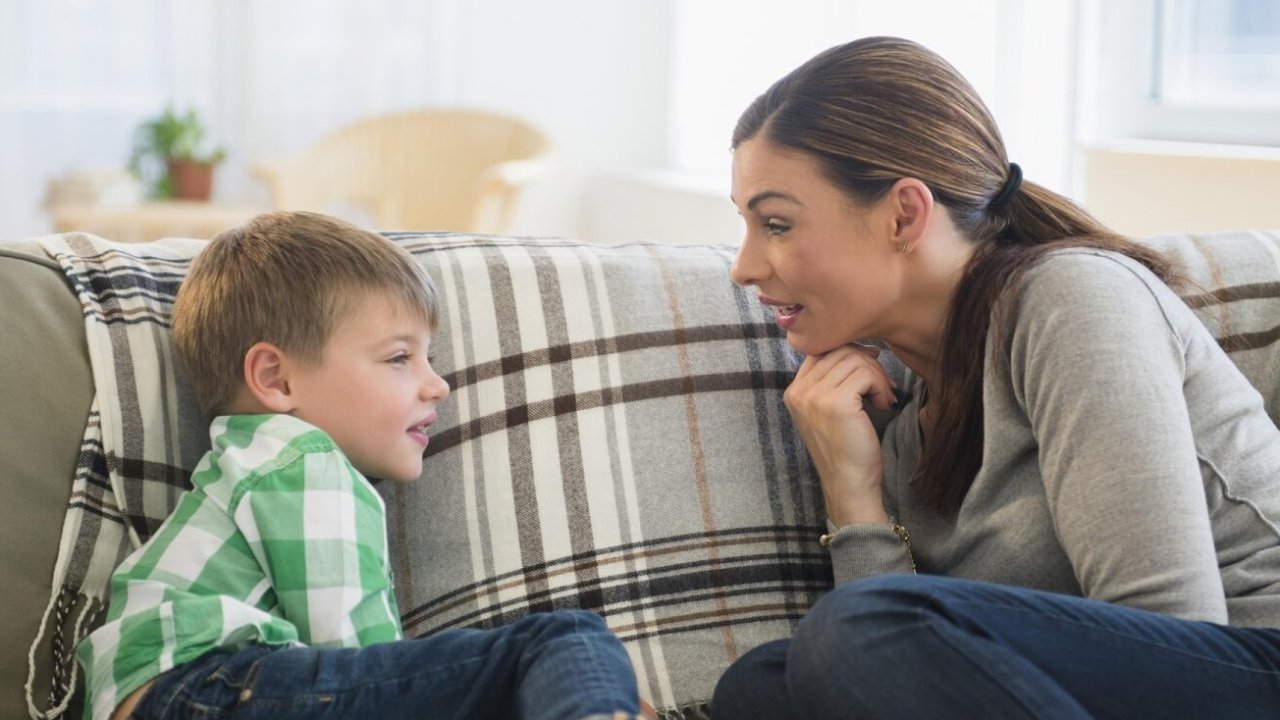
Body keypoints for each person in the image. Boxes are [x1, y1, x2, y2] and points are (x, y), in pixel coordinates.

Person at [713, 36, 1280, 719]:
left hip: (1241, 665)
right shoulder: (896, 410)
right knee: (762, 686)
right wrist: (853, 494)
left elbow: (1171, 633)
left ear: (905, 214)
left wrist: (874, 628)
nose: (744, 267)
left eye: (775, 223)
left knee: (858, 630)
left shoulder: (1070, 300)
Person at [75, 211, 645, 720]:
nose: (438, 384)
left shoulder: (246, 462)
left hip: (178, 692)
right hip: (202, 689)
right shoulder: (303, 461)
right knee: (568, 639)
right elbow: (359, 654)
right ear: (277, 379)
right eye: (399, 357)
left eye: (429, 357)